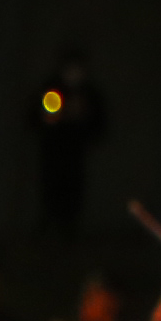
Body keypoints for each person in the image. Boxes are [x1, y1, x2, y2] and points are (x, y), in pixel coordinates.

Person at [26, 45, 108, 234]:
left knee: (73, 191)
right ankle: (47, 225)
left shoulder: (88, 93)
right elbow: (34, 117)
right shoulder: (52, 88)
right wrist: (48, 119)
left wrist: (82, 117)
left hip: (76, 151)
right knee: (51, 186)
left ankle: (68, 228)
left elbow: (99, 125)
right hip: (52, 149)